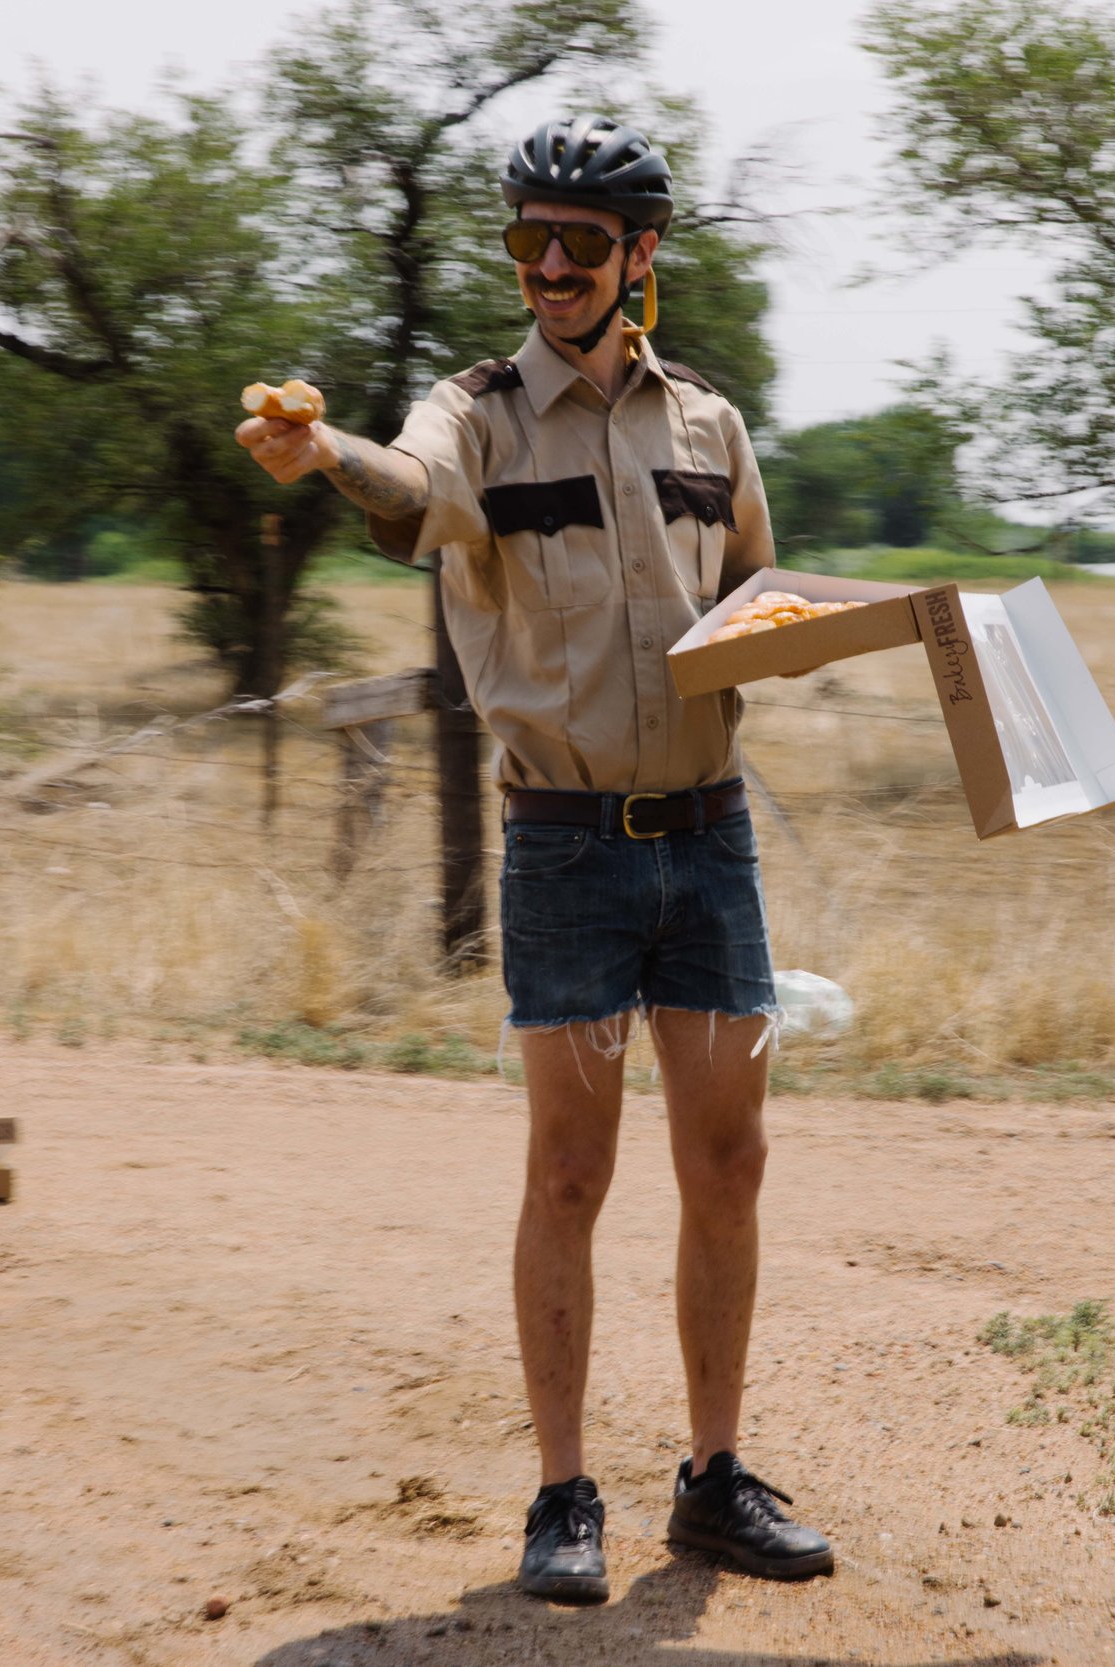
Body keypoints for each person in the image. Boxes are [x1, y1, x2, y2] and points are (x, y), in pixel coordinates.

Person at [235, 114, 831, 1604]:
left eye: (579, 243)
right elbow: (410, 485)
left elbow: (757, 586)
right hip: (564, 848)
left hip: (711, 842)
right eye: (526, 241)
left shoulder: (709, 424)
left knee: (731, 1163)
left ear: (641, 258)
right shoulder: (479, 413)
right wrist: (320, 455)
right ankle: (564, 1495)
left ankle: (712, 1479)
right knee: (569, 1172)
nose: (549, 267)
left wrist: (852, 627)